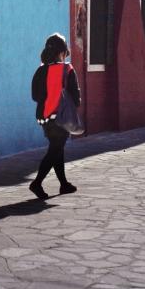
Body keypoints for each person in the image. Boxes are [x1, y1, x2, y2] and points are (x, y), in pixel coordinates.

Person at [29, 33, 81, 200]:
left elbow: (35, 96)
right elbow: (76, 97)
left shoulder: (40, 70)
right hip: (62, 117)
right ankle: (37, 183)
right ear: (62, 52)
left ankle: (64, 184)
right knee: (55, 150)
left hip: (45, 118)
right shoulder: (68, 69)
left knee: (57, 148)